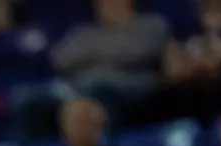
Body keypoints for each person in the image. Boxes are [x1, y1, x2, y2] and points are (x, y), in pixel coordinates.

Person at [44, 0, 170, 129]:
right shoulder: (85, 32)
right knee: (34, 104)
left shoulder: (151, 24)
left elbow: (137, 51)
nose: (104, 5)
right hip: (83, 89)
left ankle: (104, 144)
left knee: (98, 92)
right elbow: (60, 59)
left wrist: (90, 53)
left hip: (134, 91)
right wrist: (105, 51)